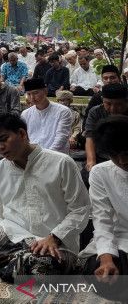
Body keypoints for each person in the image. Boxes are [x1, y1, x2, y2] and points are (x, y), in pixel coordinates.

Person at [0, 113, 90, 281]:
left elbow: (80, 209)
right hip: (13, 233)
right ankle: (17, 263)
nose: (0, 147)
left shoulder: (61, 163)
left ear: (22, 134)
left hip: (53, 240)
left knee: (39, 269)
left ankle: (18, 264)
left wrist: (55, 237)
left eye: (4, 139)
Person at [80, 116, 128, 281]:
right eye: (114, 155)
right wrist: (106, 259)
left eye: (126, 154)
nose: (122, 161)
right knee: (100, 275)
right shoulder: (100, 172)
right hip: (120, 239)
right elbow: (102, 218)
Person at [83, 83, 128, 179]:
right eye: (108, 104)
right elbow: (90, 137)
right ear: (102, 100)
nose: (113, 109)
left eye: (118, 104)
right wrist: (91, 161)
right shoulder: (95, 112)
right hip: (103, 156)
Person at [21, 78, 73, 154]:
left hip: (57, 156)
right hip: (33, 155)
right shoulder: (25, 114)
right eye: (29, 94)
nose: (32, 97)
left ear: (45, 91)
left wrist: (46, 156)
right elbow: (24, 138)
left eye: (35, 93)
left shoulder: (63, 111)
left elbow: (61, 137)